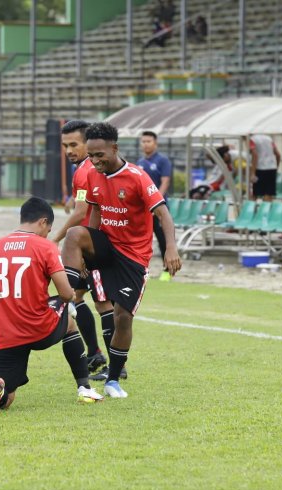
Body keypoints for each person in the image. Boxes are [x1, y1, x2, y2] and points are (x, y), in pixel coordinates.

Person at [61, 122, 181, 398]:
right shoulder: (92, 174)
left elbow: (163, 214)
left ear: (114, 148)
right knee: (75, 233)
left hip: (132, 257)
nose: (95, 161)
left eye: (100, 155)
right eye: (90, 155)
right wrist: (86, 252)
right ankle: (65, 298)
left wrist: (171, 249)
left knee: (122, 317)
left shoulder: (137, 177)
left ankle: (114, 379)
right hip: (106, 246)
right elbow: (93, 212)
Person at [0, 197, 103, 414]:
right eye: (49, 229)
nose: (47, 234)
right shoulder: (45, 247)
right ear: (43, 222)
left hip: (6, 335)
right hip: (38, 327)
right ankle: (85, 388)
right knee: (70, 322)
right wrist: (68, 296)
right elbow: (65, 293)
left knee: (9, 396)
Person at [51, 120, 113, 380]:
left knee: (104, 303)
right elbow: (83, 204)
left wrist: (55, 239)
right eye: (65, 145)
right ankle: (95, 352)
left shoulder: (87, 169)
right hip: (87, 245)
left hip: (98, 242)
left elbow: (81, 213)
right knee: (76, 296)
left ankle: (115, 367)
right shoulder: (84, 169)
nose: (68, 150)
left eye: (74, 144)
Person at [136, 130, 174, 281]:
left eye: (148, 141)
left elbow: (165, 182)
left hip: (158, 209)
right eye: (143, 141)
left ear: (155, 143)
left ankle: (168, 271)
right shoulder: (139, 163)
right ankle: (142, 269)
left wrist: (154, 203)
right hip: (143, 211)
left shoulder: (162, 161)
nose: (145, 144)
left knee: (163, 239)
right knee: (142, 240)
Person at [249, 134, 280, 201]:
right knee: (269, 193)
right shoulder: (269, 138)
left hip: (260, 168)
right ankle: (267, 210)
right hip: (272, 168)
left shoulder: (252, 139)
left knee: (255, 193)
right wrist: (275, 167)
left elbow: (255, 155)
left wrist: (253, 173)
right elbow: (278, 154)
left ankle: (252, 210)